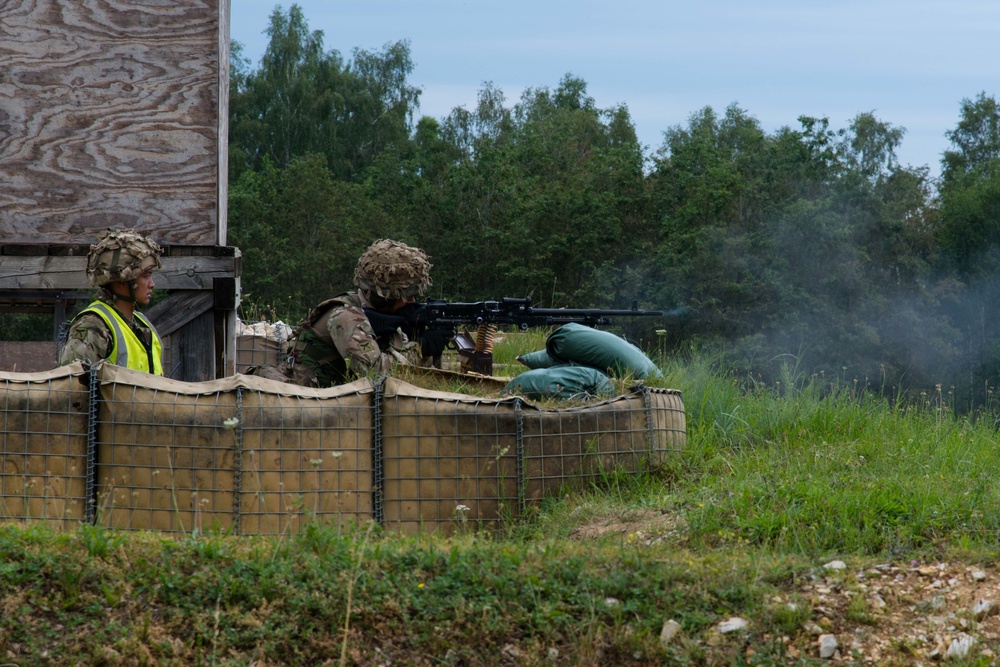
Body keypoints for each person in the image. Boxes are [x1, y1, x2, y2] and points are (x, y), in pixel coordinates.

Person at [262, 239, 443, 388]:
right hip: (298, 400)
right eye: (409, 296)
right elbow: (376, 373)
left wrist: (415, 335)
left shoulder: (385, 318)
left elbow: (412, 378)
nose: (413, 302)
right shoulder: (345, 317)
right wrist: (421, 348)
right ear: (389, 295)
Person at [57, 228, 164, 374]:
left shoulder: (141, 323)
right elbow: (70, 384)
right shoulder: (93, 325)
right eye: (145, 276)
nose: (152, 284)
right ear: (121, 281)